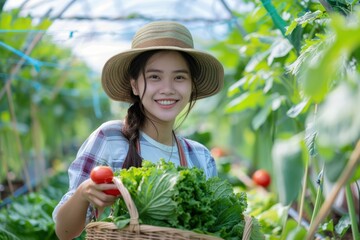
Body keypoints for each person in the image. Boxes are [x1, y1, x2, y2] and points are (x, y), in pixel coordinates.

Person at [53, 21, 224, 239]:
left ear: (192, 85)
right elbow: (64, 232)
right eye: (154, 77)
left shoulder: (200, 157)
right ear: (134, 85)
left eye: (179, 77)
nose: (168, 89)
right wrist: (83, 193)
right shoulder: (110, 138)